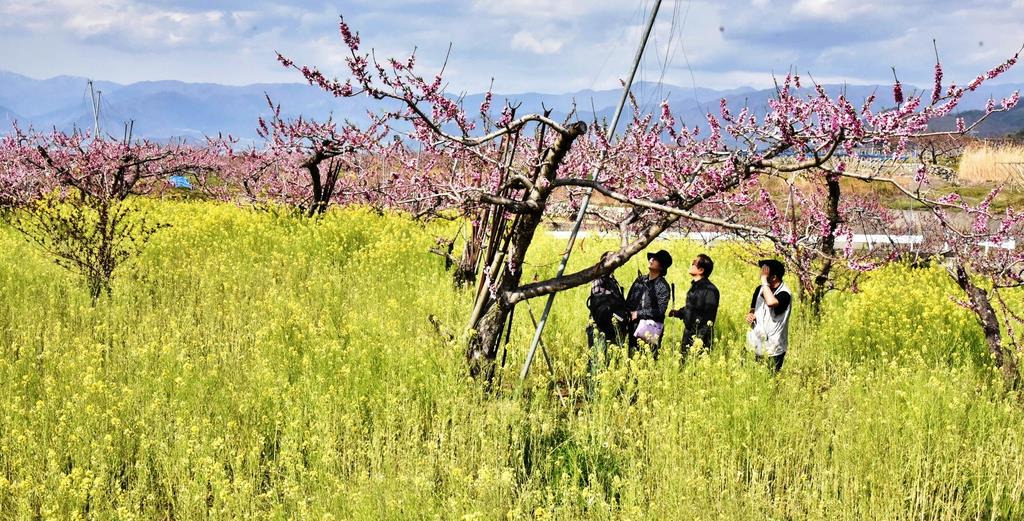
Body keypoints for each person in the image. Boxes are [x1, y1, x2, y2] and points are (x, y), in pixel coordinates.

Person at [668, 254, 719, 362]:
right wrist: (678, 313)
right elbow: (692, 308)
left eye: (694, 262)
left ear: (701, 270)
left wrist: (699, 339)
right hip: (688, 334)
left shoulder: (710, 290)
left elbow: (709, 317)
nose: (691, 263)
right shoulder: (695, 286)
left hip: (700, 338)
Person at [745, 259, 793, 372]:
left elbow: (771, 302)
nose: (761, 275)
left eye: (765, 273)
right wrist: (750, 315)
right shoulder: (759, 289)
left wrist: (764, 281)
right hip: (753, 343)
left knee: (769, 379)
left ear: (774, 277)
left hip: (773, 348)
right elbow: (753, 309)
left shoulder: (785, 293)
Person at [626, 249, 672, 357]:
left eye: (655, 259)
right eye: (651, 258)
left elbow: (660, 311)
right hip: (633, 327)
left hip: (650, 329)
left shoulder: (663, 286)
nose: (651, 260)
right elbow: (629, 301)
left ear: (661, 267)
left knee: (648, 361)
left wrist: (638, 314)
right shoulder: (640, 280)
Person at [586, 253, 628, 348]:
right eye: (612, 258)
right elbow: (598, 296)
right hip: (599, 326)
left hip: (611, 327)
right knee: (597, 357)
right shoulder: (599, 277)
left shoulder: (612, 280)